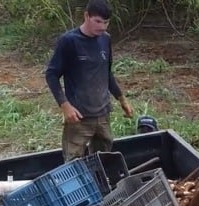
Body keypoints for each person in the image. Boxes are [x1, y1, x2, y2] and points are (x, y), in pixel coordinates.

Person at [45, 0, 134, 162]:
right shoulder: (69, 41)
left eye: (106, 22)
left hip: (102, 113)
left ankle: (100, 185)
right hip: (79, 117)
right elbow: (51, 74)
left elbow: (107, 72)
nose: (102, 26)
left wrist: (122, 99)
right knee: (73, 163)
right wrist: (65, 106)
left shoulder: (105, 39)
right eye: (98, 21)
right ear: (86, 16)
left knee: (103, 158)